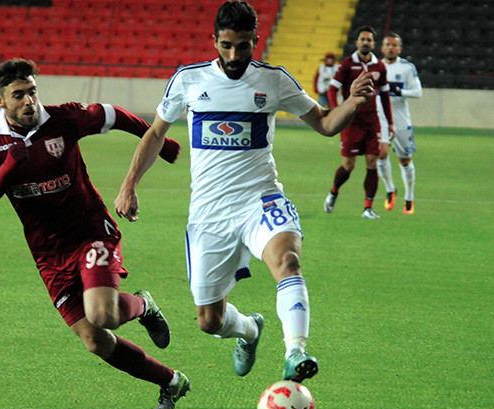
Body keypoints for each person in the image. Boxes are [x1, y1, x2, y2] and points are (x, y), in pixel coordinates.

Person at [114, 1, 374, 383]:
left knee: (288, 261)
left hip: (261, 200)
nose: (234, 55)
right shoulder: (189, 80)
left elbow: (324, 123)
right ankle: (250, 330)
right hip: (209, 215)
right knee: (209, 320)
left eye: (243, 46)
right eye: (226, 45)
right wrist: (129, 184)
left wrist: (351, 102)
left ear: (256, 40)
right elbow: (155, 133)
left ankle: (295, 353)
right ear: (214, 41)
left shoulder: (274, 80)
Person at [0, 58, 190, 409]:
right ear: (1, 101)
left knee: (103, 314)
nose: (29, 101)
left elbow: (112, 114)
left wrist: (160, 143)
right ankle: (171, 381)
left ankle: (143, 305)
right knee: (94, 340)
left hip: (91, 232)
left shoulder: (62, 119)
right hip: (48, 252)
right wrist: (12, 162)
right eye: (18, 95)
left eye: (32, 92)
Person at [324, 26, 396, 219]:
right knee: (348, 165)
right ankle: (333, 192)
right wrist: (337, 109)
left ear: (374, 44)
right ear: (357, 43)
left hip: (372, 122)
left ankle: (368, 208)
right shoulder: (347, 65)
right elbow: (332, 89)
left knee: (373, 162)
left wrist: (390, 122)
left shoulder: (379, 67)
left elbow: (385, 95)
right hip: (351, 122)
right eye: (362, 39)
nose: (366, 43)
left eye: (369, 40)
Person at [376, 32, 422, 214]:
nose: (391, 47)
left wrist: (400, 92)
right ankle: (390, 189)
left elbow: (418, 92)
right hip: (380, 119)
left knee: (404, 160)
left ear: (399, 49)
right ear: (382, 48)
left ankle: (409, 196)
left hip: (401, 120)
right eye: (388, 44)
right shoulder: (375, 66)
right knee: (381, 154)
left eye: (394, 45)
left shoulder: (407, 68)